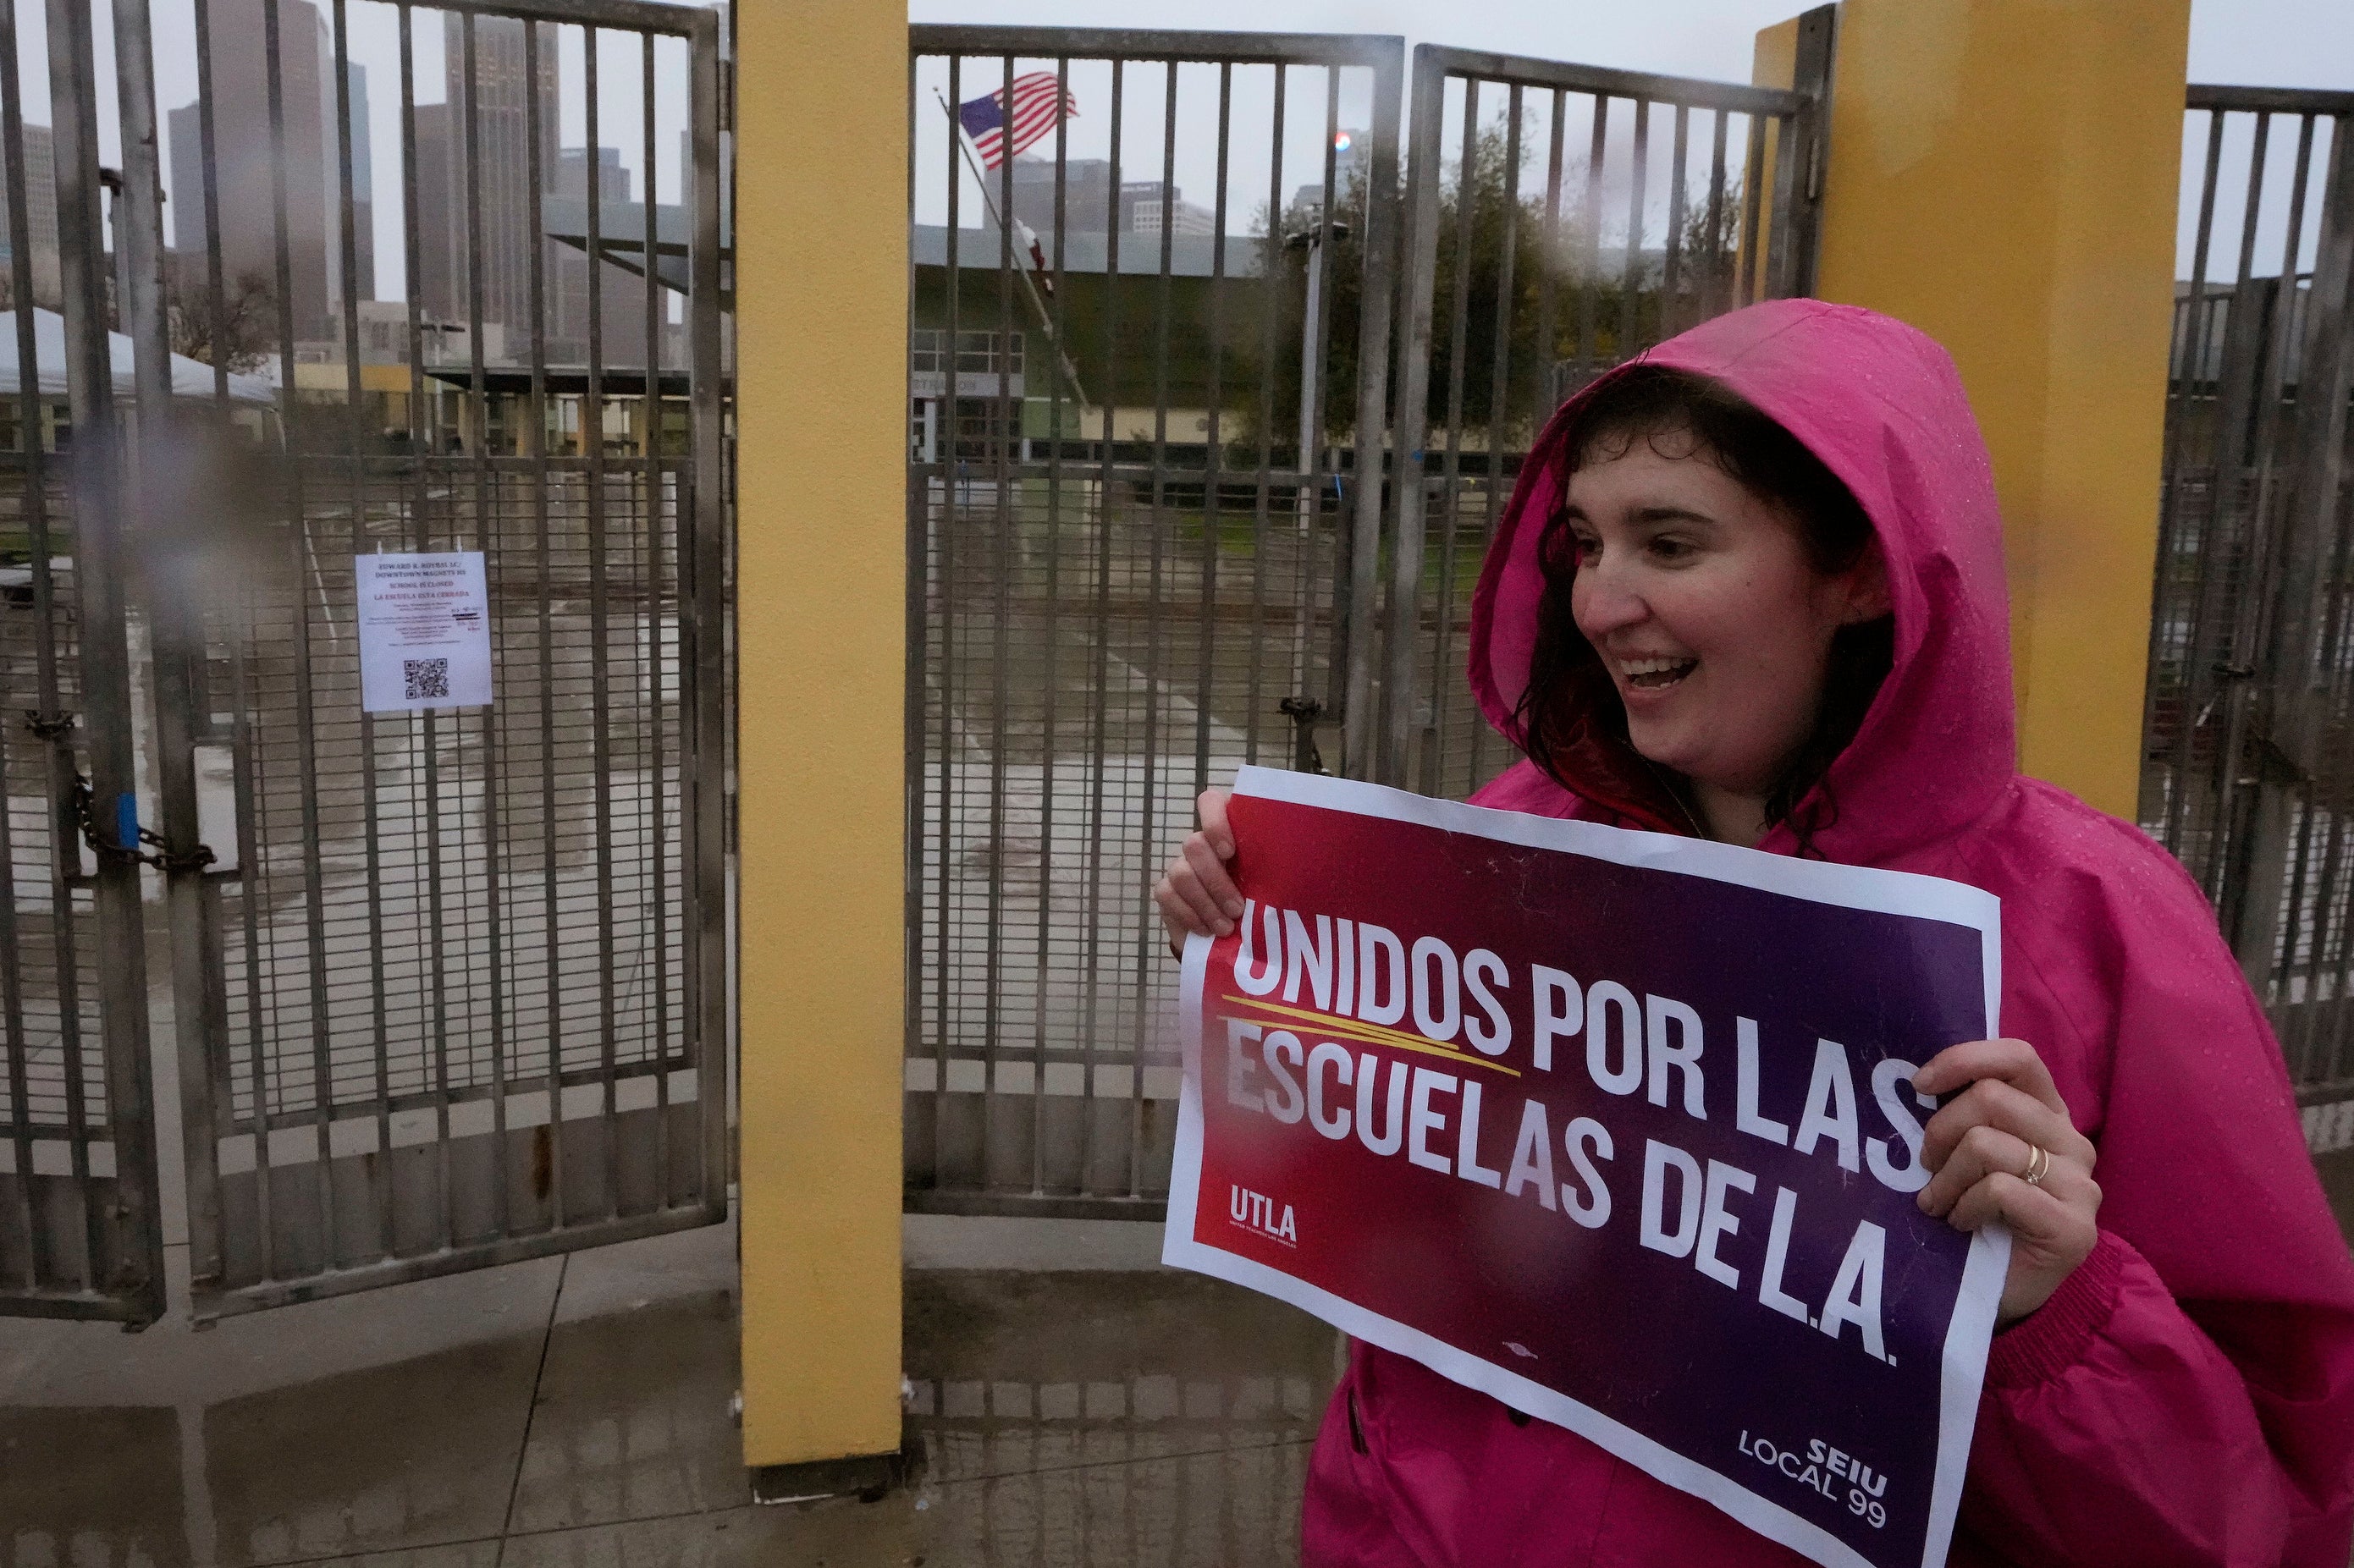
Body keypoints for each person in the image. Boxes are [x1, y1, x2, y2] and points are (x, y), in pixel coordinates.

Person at [1152, 299, 2354, 1565]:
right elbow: (1397, 1243)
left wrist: (2052, 1307)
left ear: (1860, 570)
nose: (1600, 602)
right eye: (1582, 544)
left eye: (1668, 543)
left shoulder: (2096, 922)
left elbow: (2263, 1512)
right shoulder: (1509, 845)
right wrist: (1266, 935)